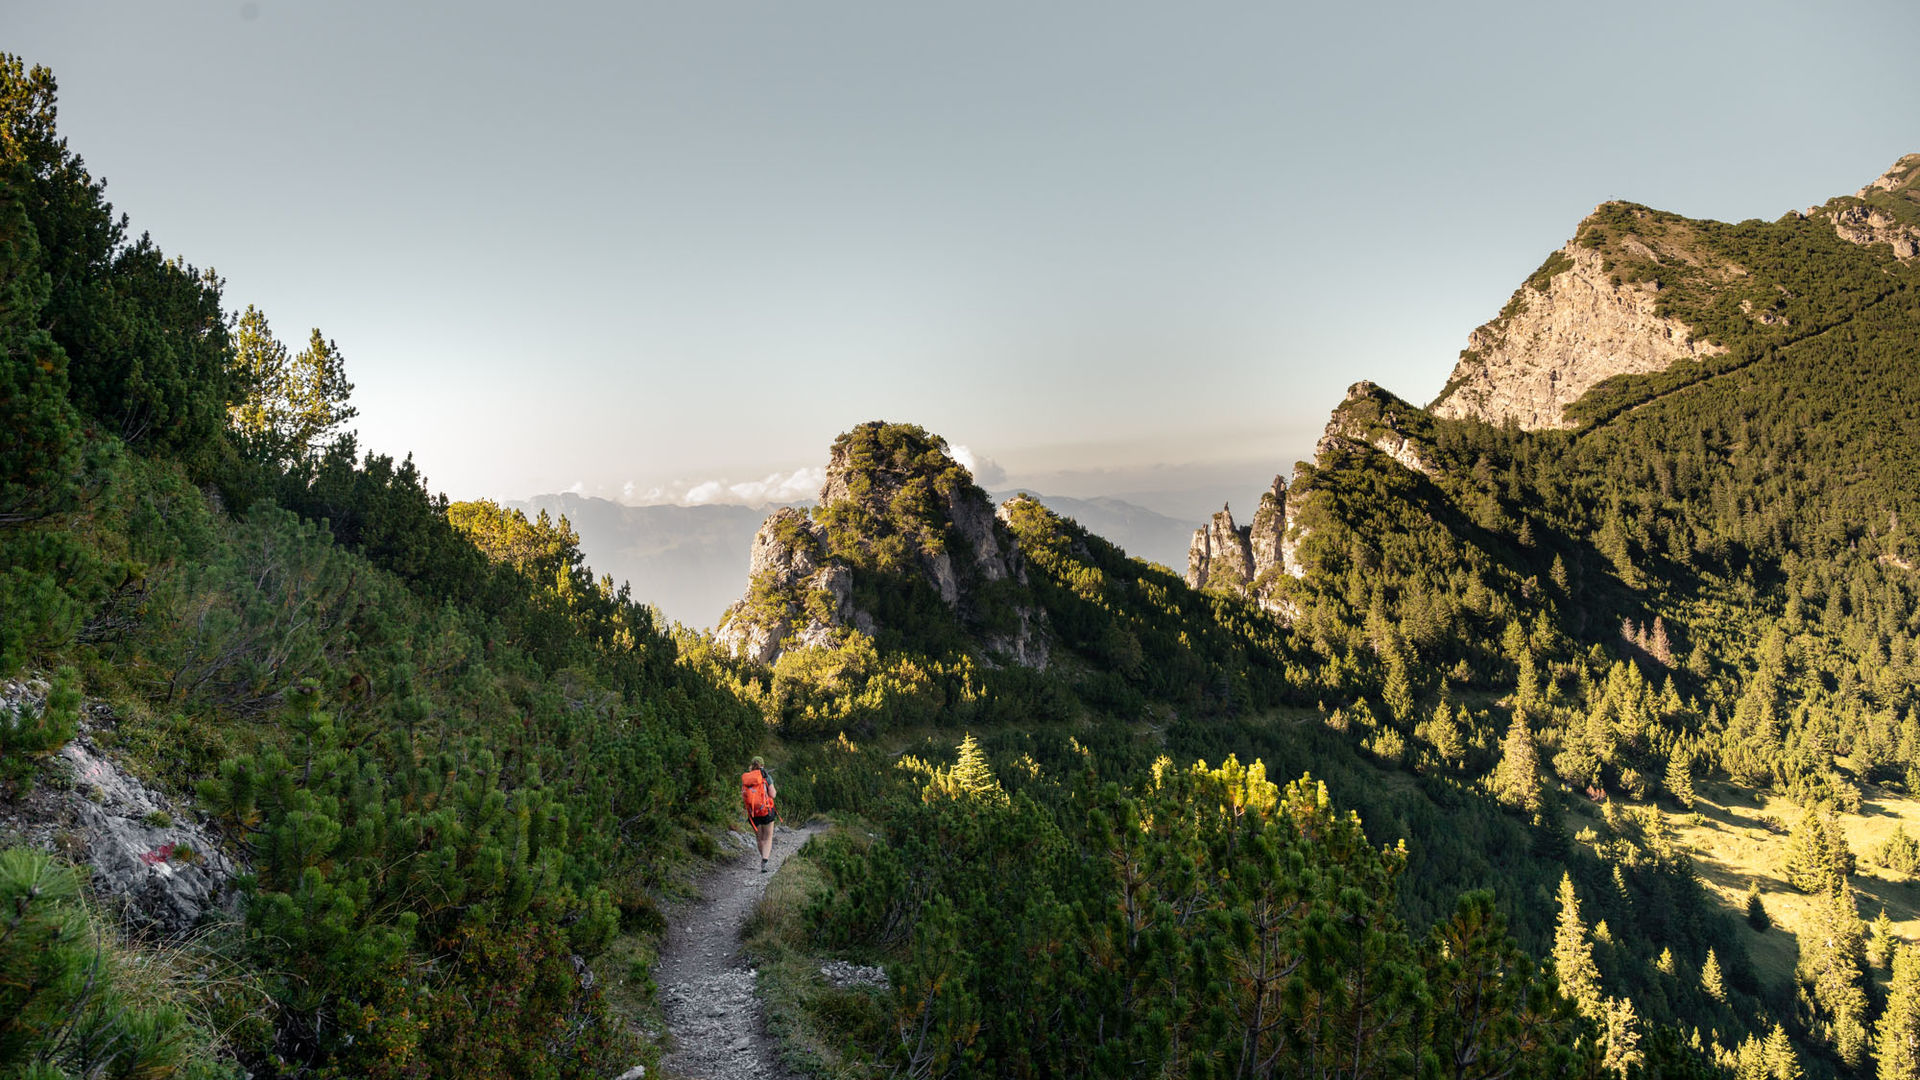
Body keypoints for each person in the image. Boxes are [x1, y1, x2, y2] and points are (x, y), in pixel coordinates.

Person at [742, 756, 778, 872]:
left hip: (753, 813)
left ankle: (763, 857)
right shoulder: (766, 777)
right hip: (766, 811)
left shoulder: (747, 778)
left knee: (759, 838)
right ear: (763, 765)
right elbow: (772, 794)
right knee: (768, 837)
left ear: (752, 765)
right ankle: (765, 860)